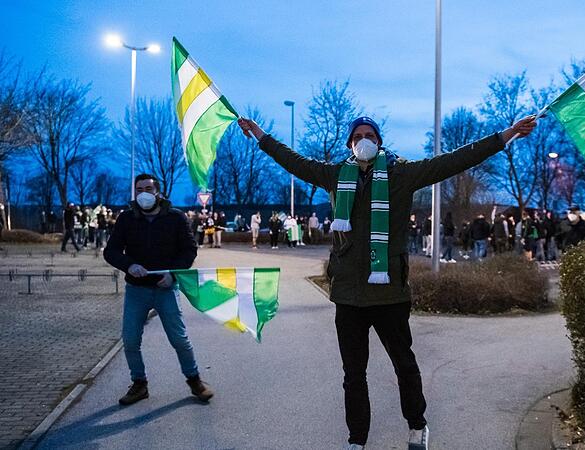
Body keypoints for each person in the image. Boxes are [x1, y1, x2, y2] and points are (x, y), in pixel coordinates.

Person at [238, 113, 536, 449]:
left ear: (379, 141)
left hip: (390, 292)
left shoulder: (402, 174)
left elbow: (456, 159)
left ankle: (417, 425)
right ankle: (357, 439)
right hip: (349, 295)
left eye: (369, 134)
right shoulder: (337, 176)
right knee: (353, 376)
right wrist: (261, 135)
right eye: (357, 136)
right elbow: (294, 161)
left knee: (404, 364)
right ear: (350, 144)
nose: (363, 139)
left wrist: (506, 135)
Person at [103, 173, 212, 406]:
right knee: (130, 340)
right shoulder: (126, 219)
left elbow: (189, 250)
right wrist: (129, 265)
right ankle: (139, 384)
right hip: (137, 290)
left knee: (179, 339)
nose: (144, 194)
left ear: (158, 192)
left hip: (166, 289)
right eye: (139, 189)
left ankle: (195, 381)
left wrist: (173, 274)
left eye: (149, 189)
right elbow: (110, 251)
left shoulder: (175, 218)